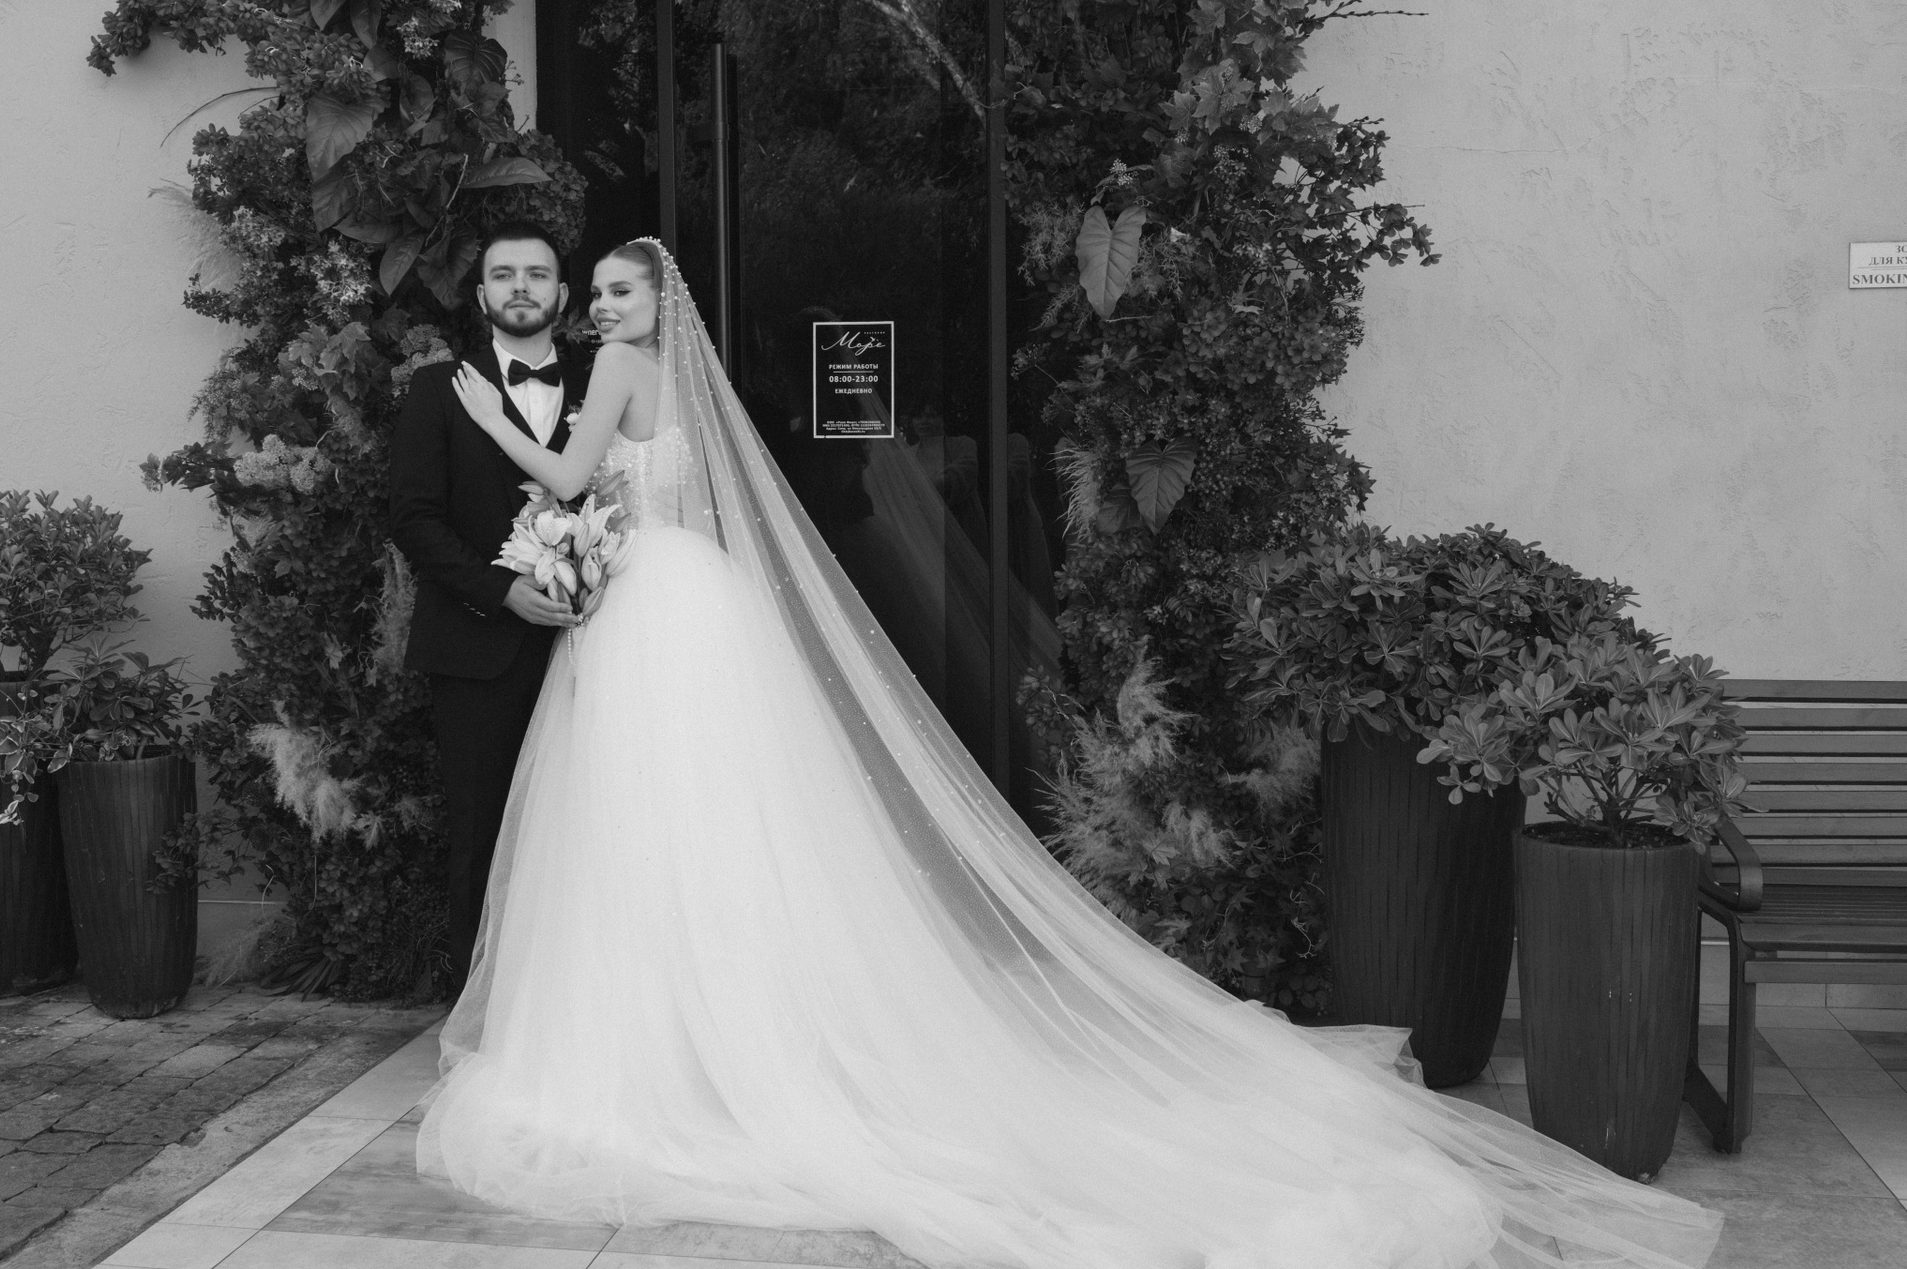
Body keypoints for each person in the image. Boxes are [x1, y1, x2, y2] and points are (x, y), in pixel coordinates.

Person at [413, 239, 1722, 1269]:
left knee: (645, 829)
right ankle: (719, 1036)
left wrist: (487, 417)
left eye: (616, 290)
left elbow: (568, 478)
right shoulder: (683, 390)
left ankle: (669, 1050)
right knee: (712, 828)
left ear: (652, 307)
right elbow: (667, 502)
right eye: (597, 290)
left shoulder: (615, 373)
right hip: (692, 597)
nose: (601, 304)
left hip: (646, 612)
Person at [387, 219, 585, 996]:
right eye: (505, 275)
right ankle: (482, 1012)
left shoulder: (604, 386)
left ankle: (576, 1001)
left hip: (593, 646)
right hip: (477, 649)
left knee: (591, 824)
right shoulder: (439, 390)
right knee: (481, 832)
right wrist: (501, 590)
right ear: (480, 296)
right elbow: (414, 518)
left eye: (537, 274)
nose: (521, 288)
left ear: (562, 293)